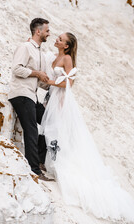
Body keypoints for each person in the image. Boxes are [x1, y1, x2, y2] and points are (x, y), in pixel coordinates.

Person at [41, 32, 134, 221]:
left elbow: (69, 82)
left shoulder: (67, 58)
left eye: (60, 39)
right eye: (57, 37)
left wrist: (50, 83)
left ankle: (57, 163)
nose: (56, 40)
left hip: (61, 100)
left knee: (56, 130)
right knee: (49, 130)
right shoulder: (55, 56)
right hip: (50, 98)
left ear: (66, 46)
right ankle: (48, 160)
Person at [8, 18, 53, 181]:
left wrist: (57, 85)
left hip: (31, 96)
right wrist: (37, 73)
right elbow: (17, 69)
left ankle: (40, 160)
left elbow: (40, 80)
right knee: (32, 129)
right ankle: (34, 170)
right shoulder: (25, 47)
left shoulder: (40, 52)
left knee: (50, 121)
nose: (49, 33)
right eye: (47, 30)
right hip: (21, 94)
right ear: (38, 31)